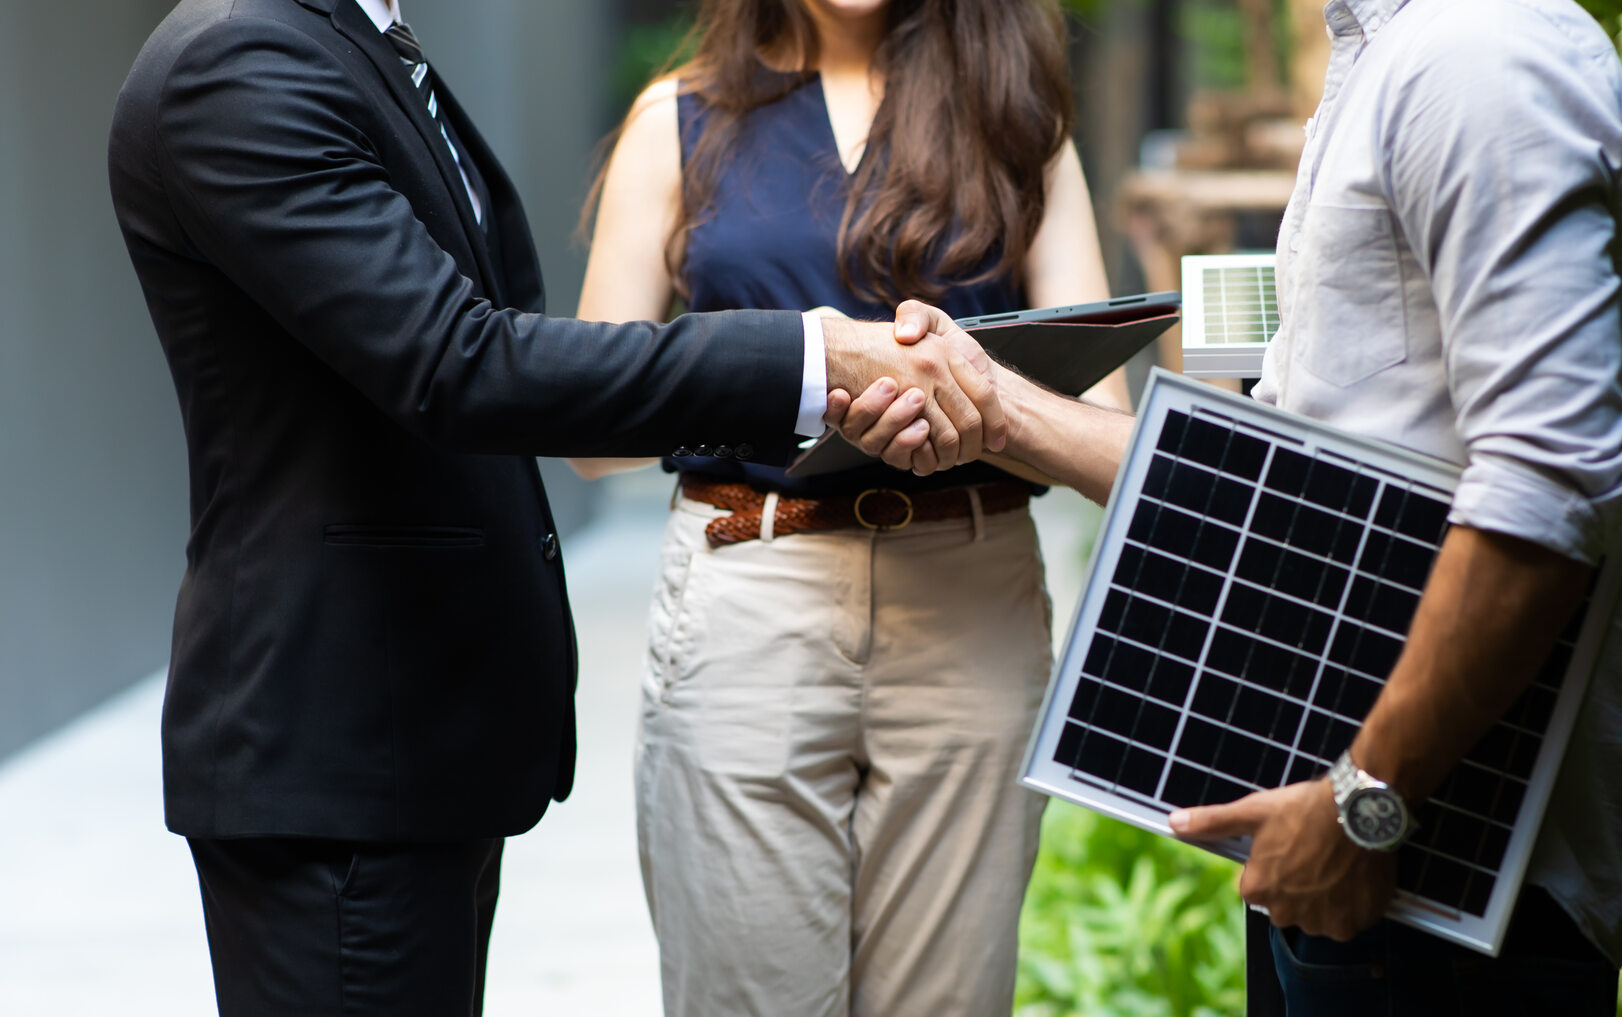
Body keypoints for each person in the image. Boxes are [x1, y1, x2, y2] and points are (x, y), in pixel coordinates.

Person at [106, 0, 1003, 1014]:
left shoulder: (361, 45)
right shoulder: (238, 62)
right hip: (336, 739)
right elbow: (459, 362)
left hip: (401, 736)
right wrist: (809, 355)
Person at [839, 0, 1622, 1010]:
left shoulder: (1479, 57)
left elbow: (1551, 484)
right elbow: (1289, 485)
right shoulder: (1386, 56)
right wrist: (997, 409)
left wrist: (1367, 798)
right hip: (1367, 852)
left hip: (1448, 868)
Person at [565, 1, 1118, 1013]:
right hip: (752, 587)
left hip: (973, 600)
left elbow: (1105, 432)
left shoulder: (1019, 118)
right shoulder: (677, 118)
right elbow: (594, 430)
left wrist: (978, 403)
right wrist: (800, 373)